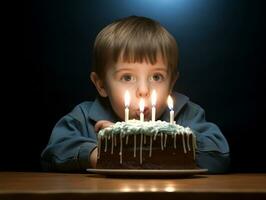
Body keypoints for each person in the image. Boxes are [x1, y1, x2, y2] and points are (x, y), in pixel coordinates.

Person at [41, 16, 230, 173]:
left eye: (156, 77)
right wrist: (104, 153)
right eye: (127, 77)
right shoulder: (84, 117)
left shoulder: (187, 114)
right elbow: (53, 153)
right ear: (101, 85)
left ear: (172, 83)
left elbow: (219, 156)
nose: (143, 90)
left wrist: (172, 140)